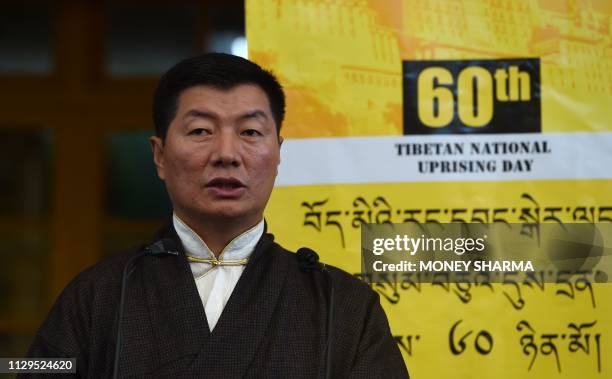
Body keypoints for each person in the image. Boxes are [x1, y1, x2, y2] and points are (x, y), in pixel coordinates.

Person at [25, 53, 409, 378]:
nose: (227, 153)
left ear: (278, 152)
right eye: (201, 130)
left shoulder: (342, 305)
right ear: (159, 155)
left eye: (250, 132)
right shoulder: (98, 294)